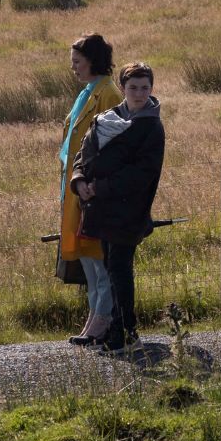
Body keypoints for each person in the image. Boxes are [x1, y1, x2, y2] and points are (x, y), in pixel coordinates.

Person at [72, 62, 167, 354]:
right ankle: (116, 332)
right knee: (112, 269)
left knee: (119, 269)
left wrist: (100, 187)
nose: (139, 93)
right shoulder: (105, 119)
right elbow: (83, 154)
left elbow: (142, 173)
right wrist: (80, 181)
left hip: (130, 209)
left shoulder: (151, 126)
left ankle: (127, 334)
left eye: (145, 87)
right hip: (102, 209)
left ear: (151, 89)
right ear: (123, 88)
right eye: (133, 87)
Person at [59, 34, 125, 347]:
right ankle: (94, 319)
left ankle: (104, 321)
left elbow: (113, 145)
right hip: (76, 184)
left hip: (92, 189)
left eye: (77, 61)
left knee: (98, 258)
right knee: (87, 257)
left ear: (92, 60)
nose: (73, 67)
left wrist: (94, 184)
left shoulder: (108, 93)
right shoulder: (88, 92)